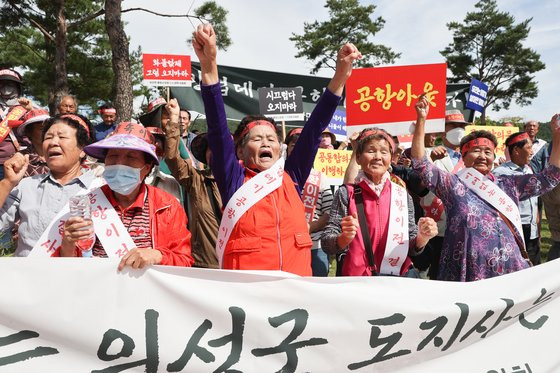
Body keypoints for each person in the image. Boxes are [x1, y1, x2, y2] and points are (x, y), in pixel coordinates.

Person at [192, 23, 360, 275]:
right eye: (256, 139)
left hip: (295, 288)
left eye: (271, 138)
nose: (266, 143)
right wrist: (209, 67)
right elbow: (217, 129)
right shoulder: (234, 180)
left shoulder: (292, 177)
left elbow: (314, 129)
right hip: (249, 293)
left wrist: (341, 76)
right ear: (240, 151)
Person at [411, 95, 560, 281]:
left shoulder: (508, 183)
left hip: (508, 269)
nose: (483, 155)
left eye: (488, 152)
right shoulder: (452, 183)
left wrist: (557, 136)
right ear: (463, 157)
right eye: (476, 150)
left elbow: (550, 177)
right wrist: (421, 120)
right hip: (466, 270)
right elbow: (420, 164)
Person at [60, 121, 193, 269]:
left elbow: (184, 260)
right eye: (113, 156)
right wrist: (68, 244)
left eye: (131, 157)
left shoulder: (168, 205)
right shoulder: (88, 203)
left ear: (146, 168)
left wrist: (157, 255)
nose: (119, 164)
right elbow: (69, 265)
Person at [323, 128, 437, 277]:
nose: (377, 157)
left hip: (395, 278)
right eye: (371, 151)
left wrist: (423, 237)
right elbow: (327, 242)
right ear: (358, 157)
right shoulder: (346, 193)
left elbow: (411, 246)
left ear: (391, 158)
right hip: (357, 280)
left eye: (384, 152)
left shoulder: (402, 194)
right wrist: (343, 238)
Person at [0, 114, 97, 257]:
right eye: (48, 137)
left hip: (78, 276)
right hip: (26, 276)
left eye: (62, 137)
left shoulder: (98, 189)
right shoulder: (26, 186)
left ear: (83, 149)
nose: (53, 142)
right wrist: (7, 183)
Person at [163, 99, 222, 269]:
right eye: (212, 148)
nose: (217, 153)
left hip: (240, 266)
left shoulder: (246, 182)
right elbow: (173, 158)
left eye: (222, 148)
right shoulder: (197, 180)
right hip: (205, 265)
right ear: (205, 155)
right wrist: (174, 121)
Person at [285, 128, 333, 276]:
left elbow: (330, 212)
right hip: (286, 246)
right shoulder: (275, 176)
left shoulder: (320, 177)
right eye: (294, 145)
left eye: (303, 146)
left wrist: (309, 227)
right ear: (286, 148)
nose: (299, 150)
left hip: (315, 247)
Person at [493, 131, 540, 265]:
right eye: (529, 147)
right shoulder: (501, 173)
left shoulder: (529, 170)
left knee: (534, 267)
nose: (532, 152)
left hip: (532, 228)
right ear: (516, 150)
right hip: (514, 228)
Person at [0, 69, 26, 180]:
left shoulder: (26, 108)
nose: (6, 88)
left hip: (19, 161)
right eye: (2, 84)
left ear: (17, 88)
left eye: (10, 84)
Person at [17, 108, 50, 177]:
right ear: (29, 132)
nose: (47, 132)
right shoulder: (20, 159)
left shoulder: (61, 154)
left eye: (48, 128)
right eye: (42, 129)